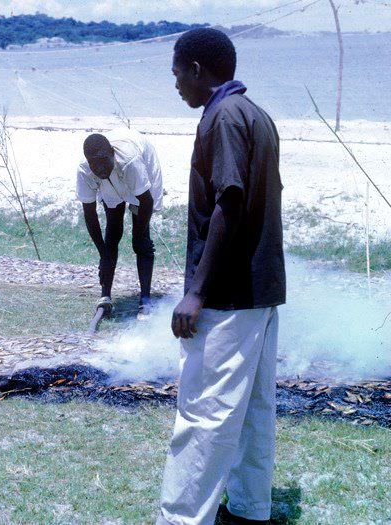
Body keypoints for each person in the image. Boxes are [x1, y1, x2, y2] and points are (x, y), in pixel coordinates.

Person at [156, 28, 285, 525]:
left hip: (229, 292)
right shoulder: (256, 114)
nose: (176, 87)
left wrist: (197, 292)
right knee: (253, 409)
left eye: (176, 75)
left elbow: (229, 202)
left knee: (204, 413)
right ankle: (251, 509)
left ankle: (183, 518)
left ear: (196, 70)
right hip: (259, 288)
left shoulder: (225, 116)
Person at [76, 127, 164, 318]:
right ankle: (105, 296)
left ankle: (145, 299)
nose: (99, 169)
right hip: (117, 174)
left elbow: (146, 200)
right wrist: (102, 254)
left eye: (102, 161)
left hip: (141, 168)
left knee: (141, 243)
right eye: (94, 164)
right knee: (113, 232)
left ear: (111, 153)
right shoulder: (85, 170)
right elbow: (89, 213)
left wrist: (139, 235)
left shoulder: (130, 162)